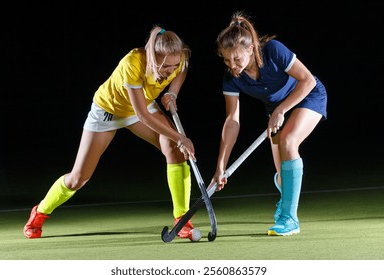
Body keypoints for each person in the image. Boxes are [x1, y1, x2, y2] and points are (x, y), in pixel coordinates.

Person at [23, 25, 198, 240]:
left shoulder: (178, 58)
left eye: (174, 65)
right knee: (78, 178)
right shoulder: (133, 63)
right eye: (165, 67)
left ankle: (182, 220)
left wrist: (172, 93)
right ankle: (40, 212)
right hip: (109, 110)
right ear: (153, 58)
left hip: (141, 105)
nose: (171, 70)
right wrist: (180, 137)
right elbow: (143, 116)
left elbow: (183, 67)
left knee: (174, 150)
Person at [211, 11, 327, 236]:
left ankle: (290, 220)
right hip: (276, 111)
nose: (232, 65)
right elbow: (232, 121)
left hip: (308, 95)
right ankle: (285, 190)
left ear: (251, 49)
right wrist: (221, 165)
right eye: (226, 60)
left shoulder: (273, 50)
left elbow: (308, 80)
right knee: (284, 175)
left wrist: (281, 110)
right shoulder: (231, 78)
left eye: (236, 58)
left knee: (288, 141)